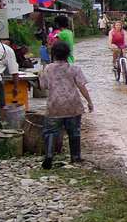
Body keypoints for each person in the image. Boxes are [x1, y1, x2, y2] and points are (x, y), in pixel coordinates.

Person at [39, 41, 93, 169]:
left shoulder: (47, 69)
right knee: (74, 132)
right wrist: (89, 102)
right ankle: (75, 157)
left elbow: (43, 86)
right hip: (73, 105)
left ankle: (49, 155)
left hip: (54, 105)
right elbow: (82, 87)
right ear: (68, 54)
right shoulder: (75, 69)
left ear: (53, 54)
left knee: (50, 132)